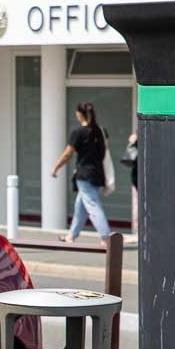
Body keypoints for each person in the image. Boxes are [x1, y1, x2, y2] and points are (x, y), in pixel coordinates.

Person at [50, 101, 110, 245]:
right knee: (80, 206)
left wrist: (55, 168)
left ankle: (107, 238)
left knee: (92, 205)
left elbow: (67, 154)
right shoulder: (101, 130)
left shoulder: (78, 133)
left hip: (84, 174)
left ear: (79, 114)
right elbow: (103, 150)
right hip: (97, 173)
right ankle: (71, 236)